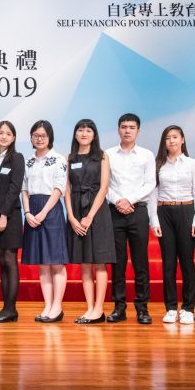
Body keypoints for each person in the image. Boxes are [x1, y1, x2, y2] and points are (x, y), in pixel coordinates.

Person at [149, 125, 195, 325]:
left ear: (182, 139)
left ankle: (188, 308)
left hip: (186, 211)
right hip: (164, 212)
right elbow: (153, 194)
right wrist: (154, 219)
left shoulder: (193, 164)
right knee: (169, 263)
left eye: (175, 137)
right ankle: (171, 308)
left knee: (187, 262)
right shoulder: (158, 165)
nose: (171, 141)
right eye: (167, 138)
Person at [104, 113, 156, 324]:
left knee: (140, 261)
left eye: (131, 127)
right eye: (124, 127)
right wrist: (119, 201)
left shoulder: (146, 155)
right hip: (114, 212)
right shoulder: (107, 154)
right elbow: (104, 184)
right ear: (118, 129)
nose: (127, 130)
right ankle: (119, 307)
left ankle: (142, 308)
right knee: (117, 262)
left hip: (138, 211)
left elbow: (150, 183)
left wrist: (130, 201)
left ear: (138, 131)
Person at [65, 119, 114, 325]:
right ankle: (89, 308)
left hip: (97, 211)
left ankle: (99, 309)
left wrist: (90, 216)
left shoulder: (102, 156)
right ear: (75, 134)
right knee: (84, 263)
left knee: (99, 262)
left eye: (88, 130)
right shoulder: (70, 157)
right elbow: (66, 189)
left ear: (94, 135)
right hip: (76, 209)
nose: (84, 133)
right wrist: (72, 217)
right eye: (80, 130)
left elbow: (104, 188)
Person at [21, 120, 69, 323]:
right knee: (42, 264)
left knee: (56, 262)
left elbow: (59, 188)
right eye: (35, 135)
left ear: (50, 137)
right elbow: (24, 189)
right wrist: (28, 212)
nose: (39, 139)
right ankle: (48, 305)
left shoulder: (58, 159)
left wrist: (43, 213)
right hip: (32, 209)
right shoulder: (28, 161)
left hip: (51, 210)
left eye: (43, 135)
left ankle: (57, 306)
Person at [0, 121, 25, 323]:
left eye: (8, 133)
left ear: (14, 138)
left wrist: (3, 215)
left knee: (10, 259)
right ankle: (6, 308)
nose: (3, 136)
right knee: (2, 261)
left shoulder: (16, 158)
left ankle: (11, 309)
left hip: (9, 216)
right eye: (0, 133)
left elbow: (14, 188)